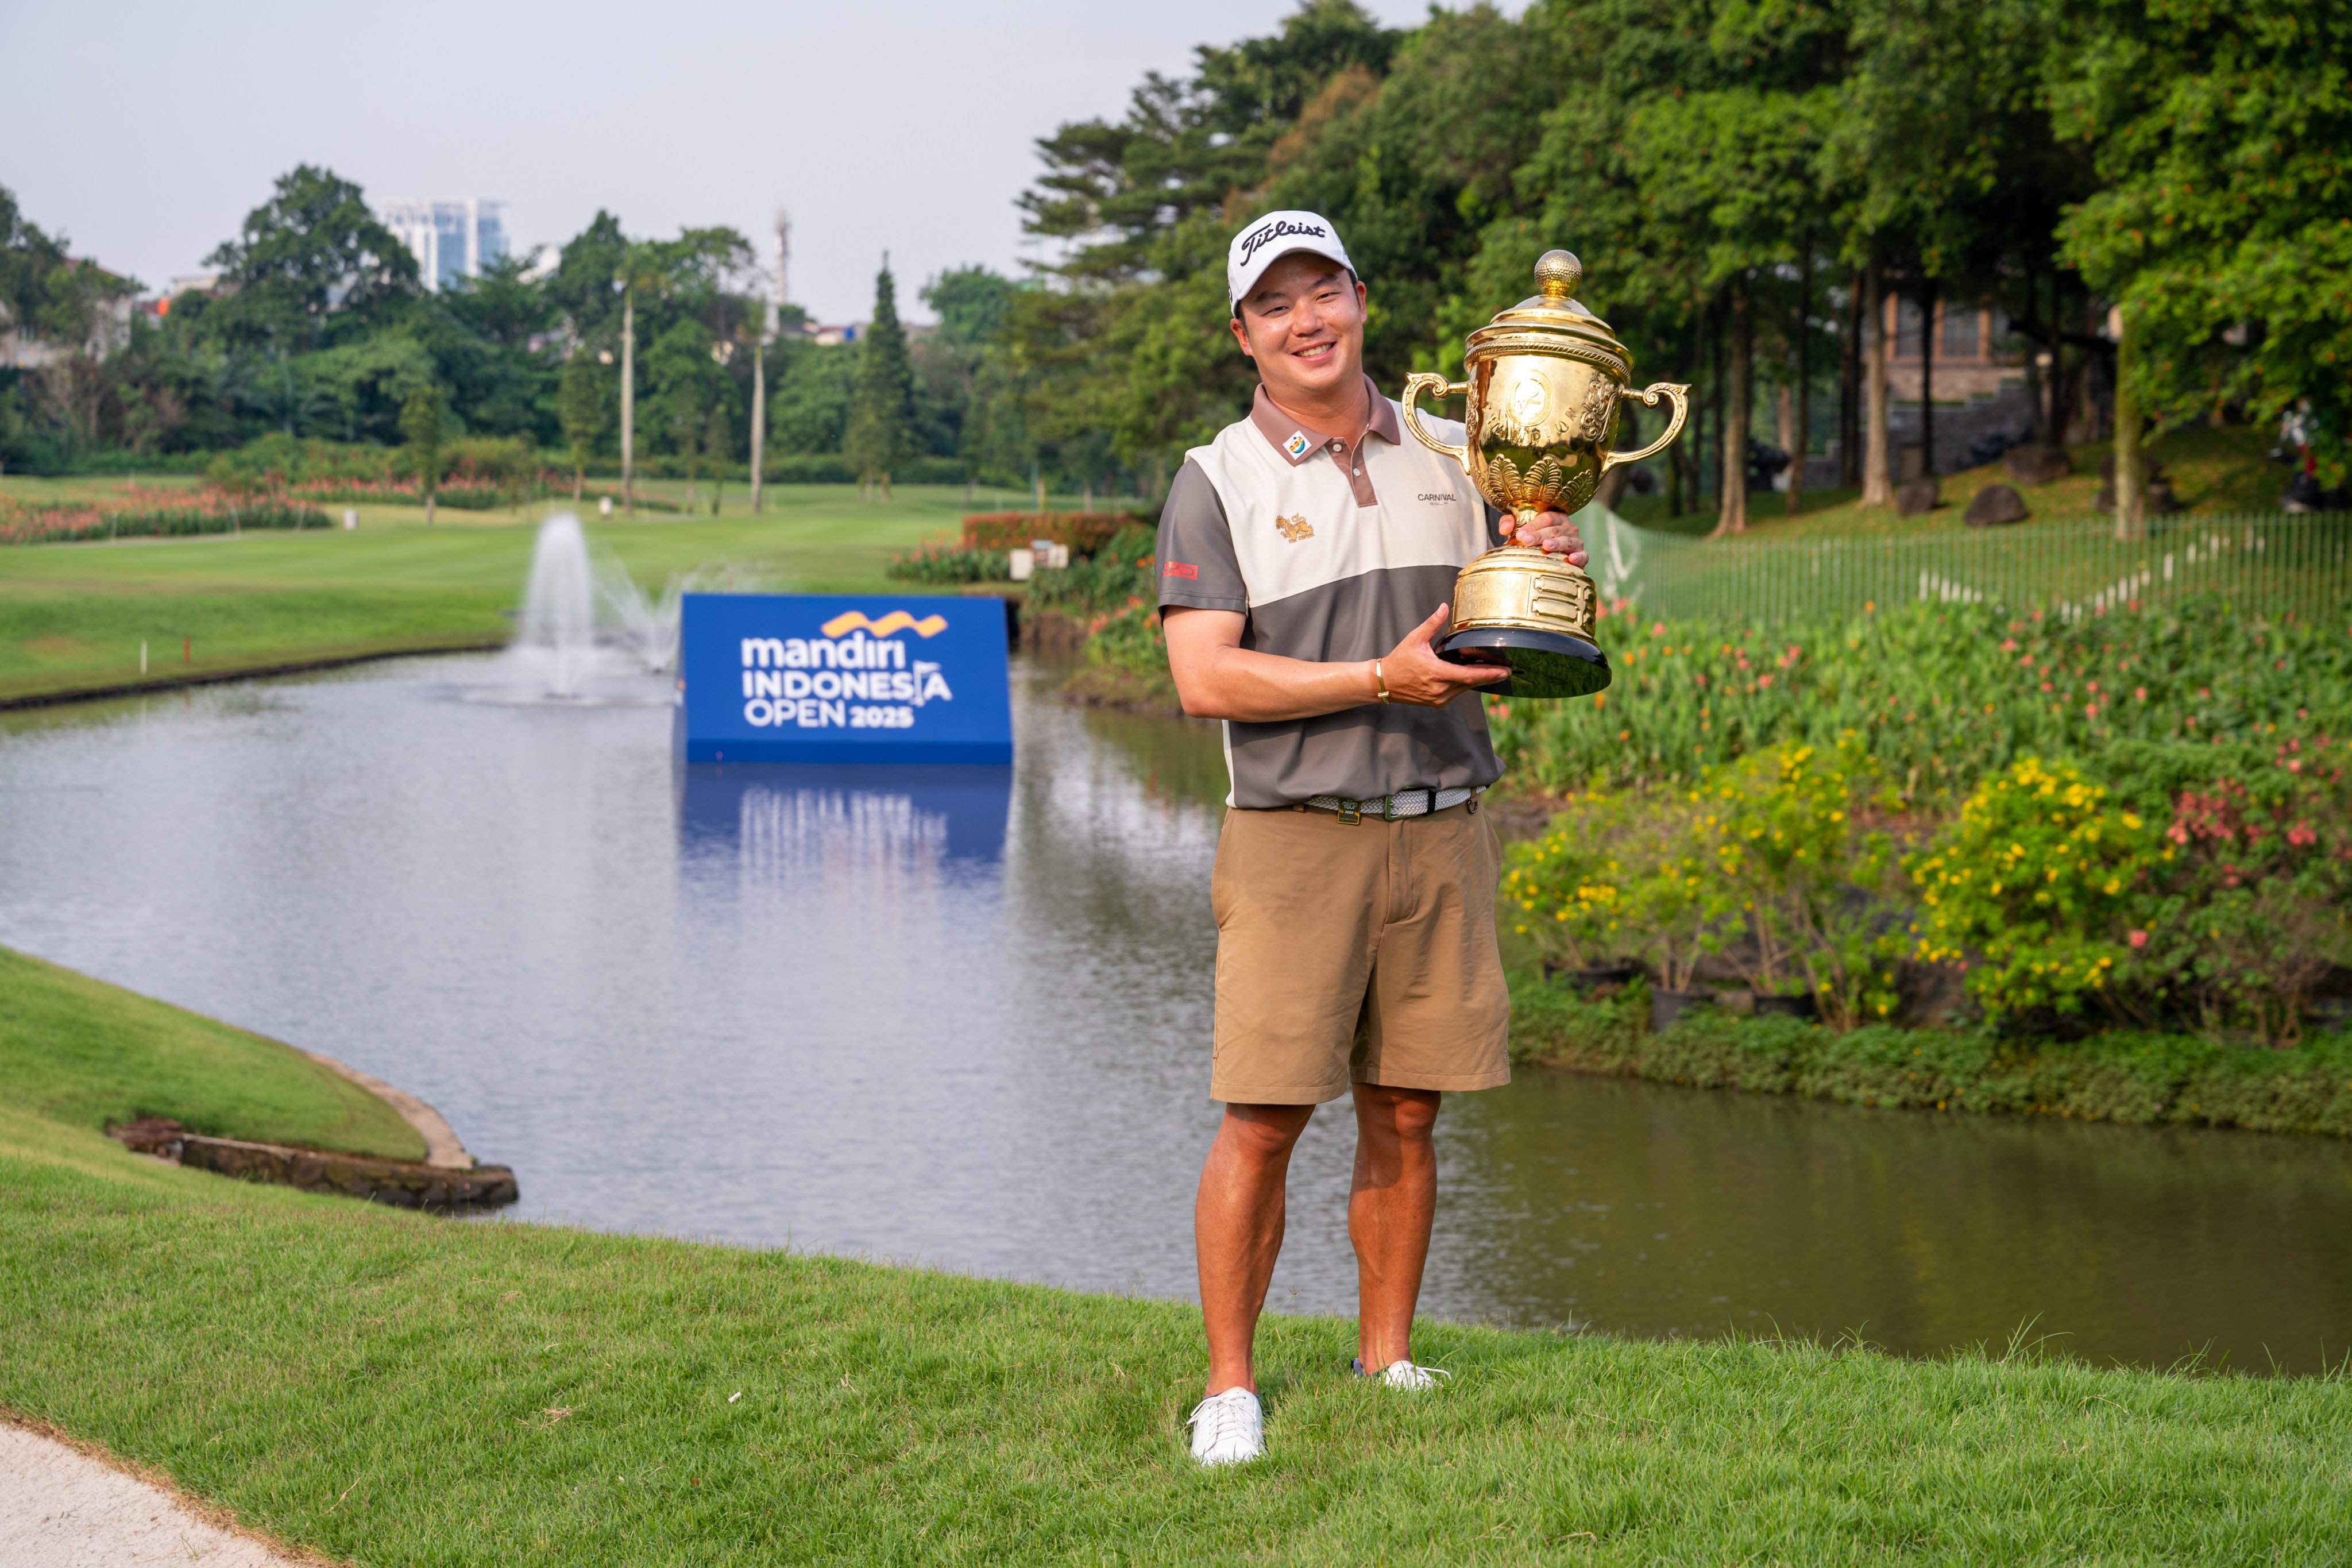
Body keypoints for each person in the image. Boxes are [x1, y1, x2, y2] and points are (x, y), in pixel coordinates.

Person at [1157, 210, 1588, 1466]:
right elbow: (1203, 678)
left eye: (1323, 292)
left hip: (1443, 829)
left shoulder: (1462, 448)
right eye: (1275, 304)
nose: (1307, 321)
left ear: (1360, 299)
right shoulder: (1216, 478)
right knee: (1263, 1119)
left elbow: (1511, 630)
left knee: (1406, 1112)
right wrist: (1379, 679)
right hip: (1294, 840)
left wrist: (1544, 549)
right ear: (1242, 334)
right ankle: (1229, 1387)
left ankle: (1385, 1356)